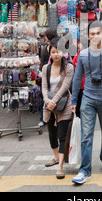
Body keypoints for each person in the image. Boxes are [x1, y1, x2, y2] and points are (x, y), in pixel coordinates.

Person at [70, 21, 102, 185]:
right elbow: (77, 78)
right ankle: (84, 170)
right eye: (92, 34)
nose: (95, 36)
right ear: (88, 36)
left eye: (98, 33)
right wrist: (73, 100)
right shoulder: (83, 55)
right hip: (88, 99)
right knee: (86, 136)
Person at [41, 36, 74, 179]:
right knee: (51, 135)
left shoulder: (69, 67)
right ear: (50, 52)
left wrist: (53, 100)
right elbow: (43, 87)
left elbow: (65, 87)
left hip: (64, 104)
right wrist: (47, 101)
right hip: (49, 105)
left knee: (62, 136)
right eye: (53, 52)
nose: (56, 54)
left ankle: (60, 166)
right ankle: (56, 157)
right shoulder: (45, 68)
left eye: (59, 51)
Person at [37, 28, 58, 127]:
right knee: (44, 97)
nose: (44, 37)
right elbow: (42, 61)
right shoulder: (44, 48)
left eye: (45, 35)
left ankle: (55, 119)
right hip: (44, 73)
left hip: (54, 74)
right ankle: (44, 118)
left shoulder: (57, 47)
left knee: (54, 96)